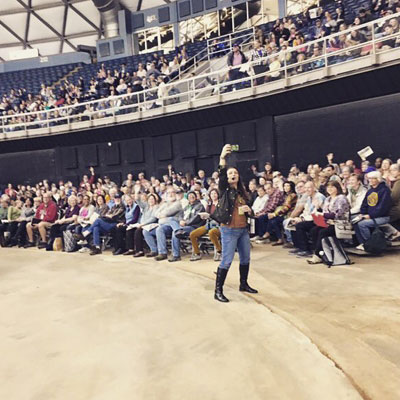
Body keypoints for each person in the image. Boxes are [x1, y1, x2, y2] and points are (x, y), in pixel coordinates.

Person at [211, 144, 258, 303]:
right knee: (227, 260)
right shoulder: (224, 190)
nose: (233, 175)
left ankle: (243, 284)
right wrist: (223, 158)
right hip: (229, 230)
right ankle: (218, 291)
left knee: (245, 259)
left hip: (243, 230)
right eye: (230, 173)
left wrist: (249, 210)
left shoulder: (243, 192)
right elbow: (222, 174)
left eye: (235, 173)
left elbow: (250, 210)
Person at [307, 181, 350, 264]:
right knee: (314, 230)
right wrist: (318, 209)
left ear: (337, 188)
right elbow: (325, 212)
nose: (330, 189)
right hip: (328, 222)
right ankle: (321, 252)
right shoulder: (328, 199)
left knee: (323, 232)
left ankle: (317, 256)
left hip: (340, 223)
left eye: (332, 187)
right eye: (328, 187)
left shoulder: (341, 198)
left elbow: (338, 214)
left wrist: (322, 214)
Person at [354, 171, 392, 250]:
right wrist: (362, 213)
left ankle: (370, 243)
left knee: (362, 224)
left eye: (372, 178)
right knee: (355, 221)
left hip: (382, 217)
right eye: (369, 179)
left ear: (378, 179)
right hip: (370, 215)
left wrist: (370, 215)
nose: (370, 180)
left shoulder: (384, 191)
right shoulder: (370, 191)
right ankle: (363, 243)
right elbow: (364, 204)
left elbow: (382, 208)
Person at [189, 188, 222, 261]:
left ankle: (219, 251)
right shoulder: (209, 204)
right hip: (209, 224)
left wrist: (210, 216)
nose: (213, 195)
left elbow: (221, 216)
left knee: (212, 232)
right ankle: (197, 253)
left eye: (215, 193)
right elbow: (207, 215)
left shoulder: (221, 204)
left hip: (219, 225)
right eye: (212, 194)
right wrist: (203, 216)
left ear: (218, 194)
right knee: (193, 234)